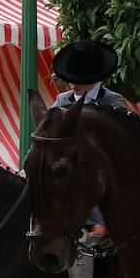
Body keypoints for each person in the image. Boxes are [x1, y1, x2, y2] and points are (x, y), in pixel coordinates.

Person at [52, 39, 126, 243]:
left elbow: (117, 147)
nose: (73, 84)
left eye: (79, 79)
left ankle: (99, 223)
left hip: (102, 167)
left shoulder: (113, 101)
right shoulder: (62, 100)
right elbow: (48, 135)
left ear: (94, 78)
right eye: (71, 78)